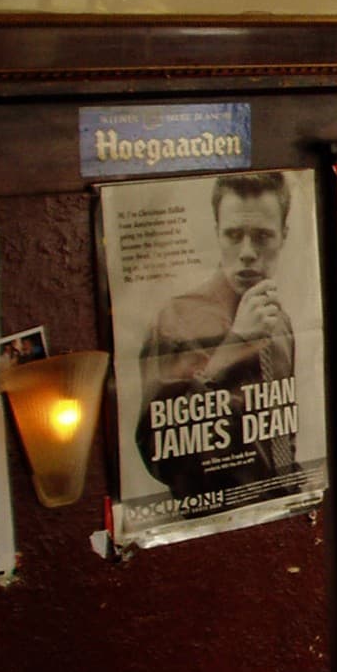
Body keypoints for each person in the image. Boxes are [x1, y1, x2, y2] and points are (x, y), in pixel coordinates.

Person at [136, 172, 297, 503]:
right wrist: (234, 347)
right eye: (234, 235)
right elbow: (159, 454)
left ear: (283, 236)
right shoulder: (175, 319)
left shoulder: (280, 322)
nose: (247, 252)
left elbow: (281, 431)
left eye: (263, 236)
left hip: (284, 509)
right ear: (217, 234)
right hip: (216, 516)